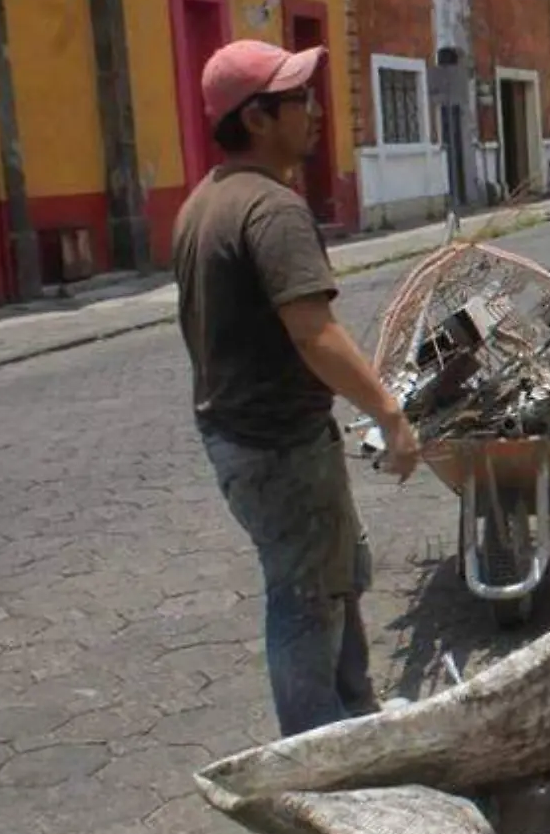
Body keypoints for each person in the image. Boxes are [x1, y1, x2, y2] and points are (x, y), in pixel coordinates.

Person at [171, 40, 420, 737]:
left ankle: (357, 716)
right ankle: (318, 749)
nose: (315, 112)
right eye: (298, 100)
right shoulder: (273, 210)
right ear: (256, 117)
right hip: (277, 446)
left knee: (337, 571)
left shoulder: (205, 203)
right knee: (307, 594)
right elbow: (314, 332)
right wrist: (390, 412)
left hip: (242, 437)